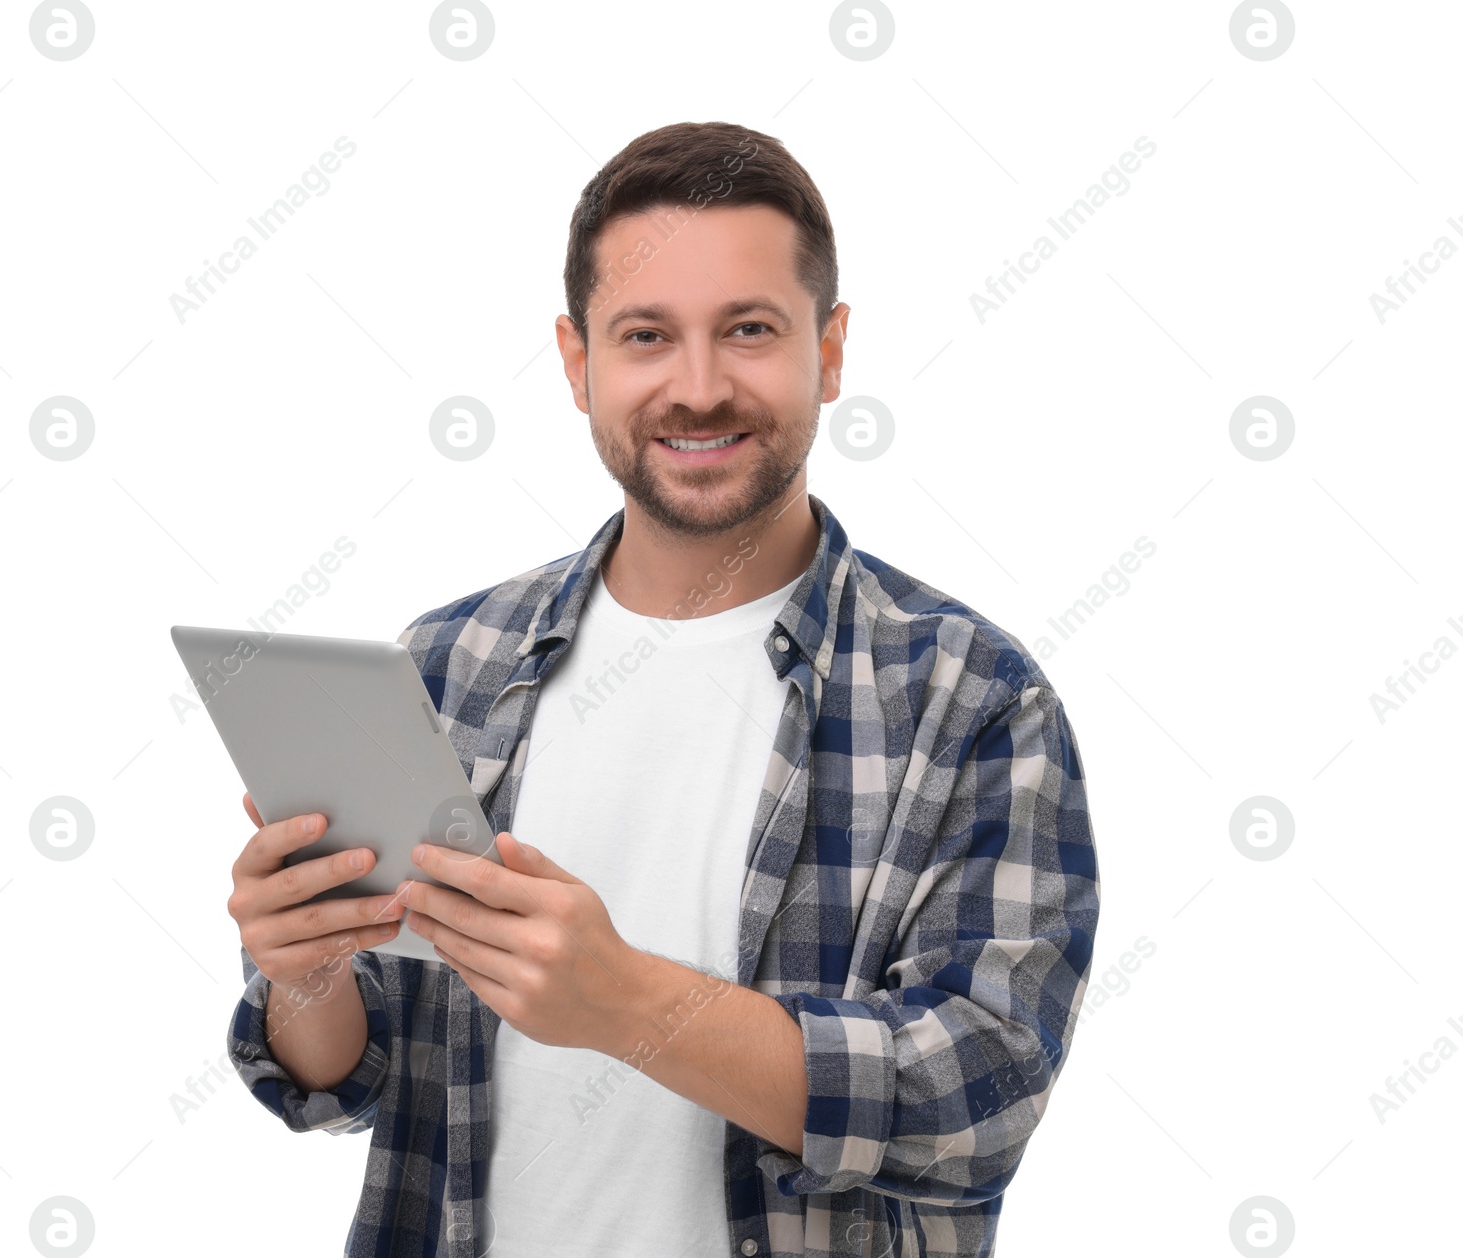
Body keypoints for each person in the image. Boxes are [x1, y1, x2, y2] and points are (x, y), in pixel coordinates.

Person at [223, 120, 1100, 1258]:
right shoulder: (445, 664)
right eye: (645, 335)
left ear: (828, 353)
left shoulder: (970, 696)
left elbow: (980, 1098)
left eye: (748, 330)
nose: (697, 388)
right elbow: (346, 1073)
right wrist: (305, 971)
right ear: (578, 361)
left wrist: (629, 1002)